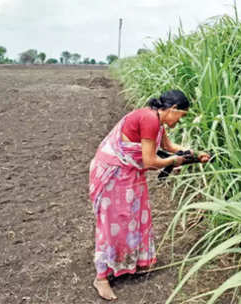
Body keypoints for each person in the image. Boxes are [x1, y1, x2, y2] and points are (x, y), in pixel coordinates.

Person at [88, 89, 210, 300]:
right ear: (172, 109)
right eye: (181, 116)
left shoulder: (156, 120)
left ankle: (127, 263)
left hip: (129, 172)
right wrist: (174, 161)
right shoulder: (150, 120)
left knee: (132, 216)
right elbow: (151, 162)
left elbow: (169, 147)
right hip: (115, 173)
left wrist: (196, 155)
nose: (179, 121)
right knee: (112, 223)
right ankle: (101, 278)